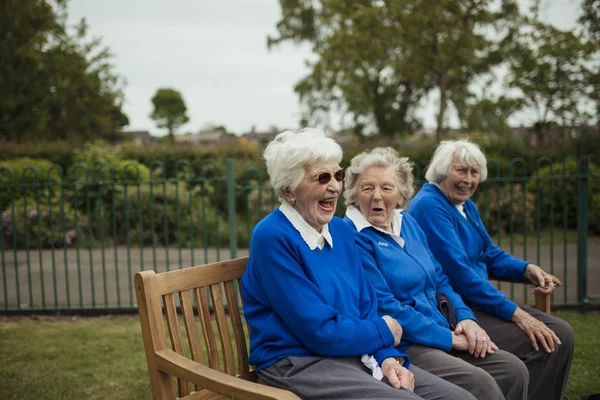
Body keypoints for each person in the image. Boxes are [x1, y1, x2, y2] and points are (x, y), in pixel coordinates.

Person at [241, 128, 476, 400]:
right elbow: (317, 330)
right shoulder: (272, 237)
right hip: (297, 362)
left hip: (350, 353)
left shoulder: (340, 230)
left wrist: (388, 357)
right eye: (322, 178)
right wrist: (384, 332)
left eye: (338, 175)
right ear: (288, 189)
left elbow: (366, 306)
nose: (334, 186)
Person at [343, 147, 528, 400]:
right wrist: (449, 339)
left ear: (400, 195)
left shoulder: (407, 222)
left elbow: (440, 278)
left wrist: (465, 319)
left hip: (446, 327)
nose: (377, 196)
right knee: (480, 384)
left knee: (513, 370)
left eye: (386, 188)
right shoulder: (354, 236)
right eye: (367, 188)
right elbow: (387, 307)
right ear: (354, 194)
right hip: (410, 342)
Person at [407, 139, 574, 400]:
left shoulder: (465, 206)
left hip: (478, 302)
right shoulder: (430, 205)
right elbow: (460, 275)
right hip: (457, 309)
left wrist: (527, 269)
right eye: (461, 170)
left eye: (474, 173)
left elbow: (489, 253)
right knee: (550, 339)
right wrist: (518, 314)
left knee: (560, 333)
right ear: (441, 170)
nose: (469, 179)